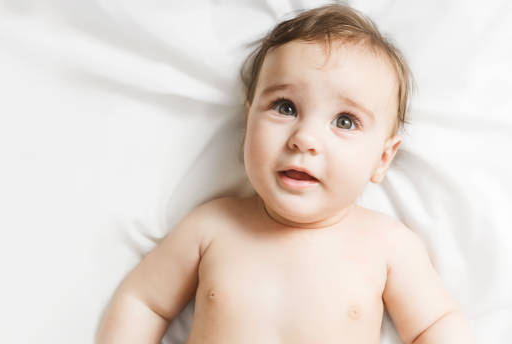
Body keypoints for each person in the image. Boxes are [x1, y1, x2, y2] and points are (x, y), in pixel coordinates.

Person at [97, 4, 475, 343]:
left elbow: (436, 323)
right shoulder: (211, 226)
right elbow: (144, 302)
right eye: (285, 107)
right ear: (249, 121)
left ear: (382, 158)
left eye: (345, 121)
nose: (305, 138)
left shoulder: (388, 245)